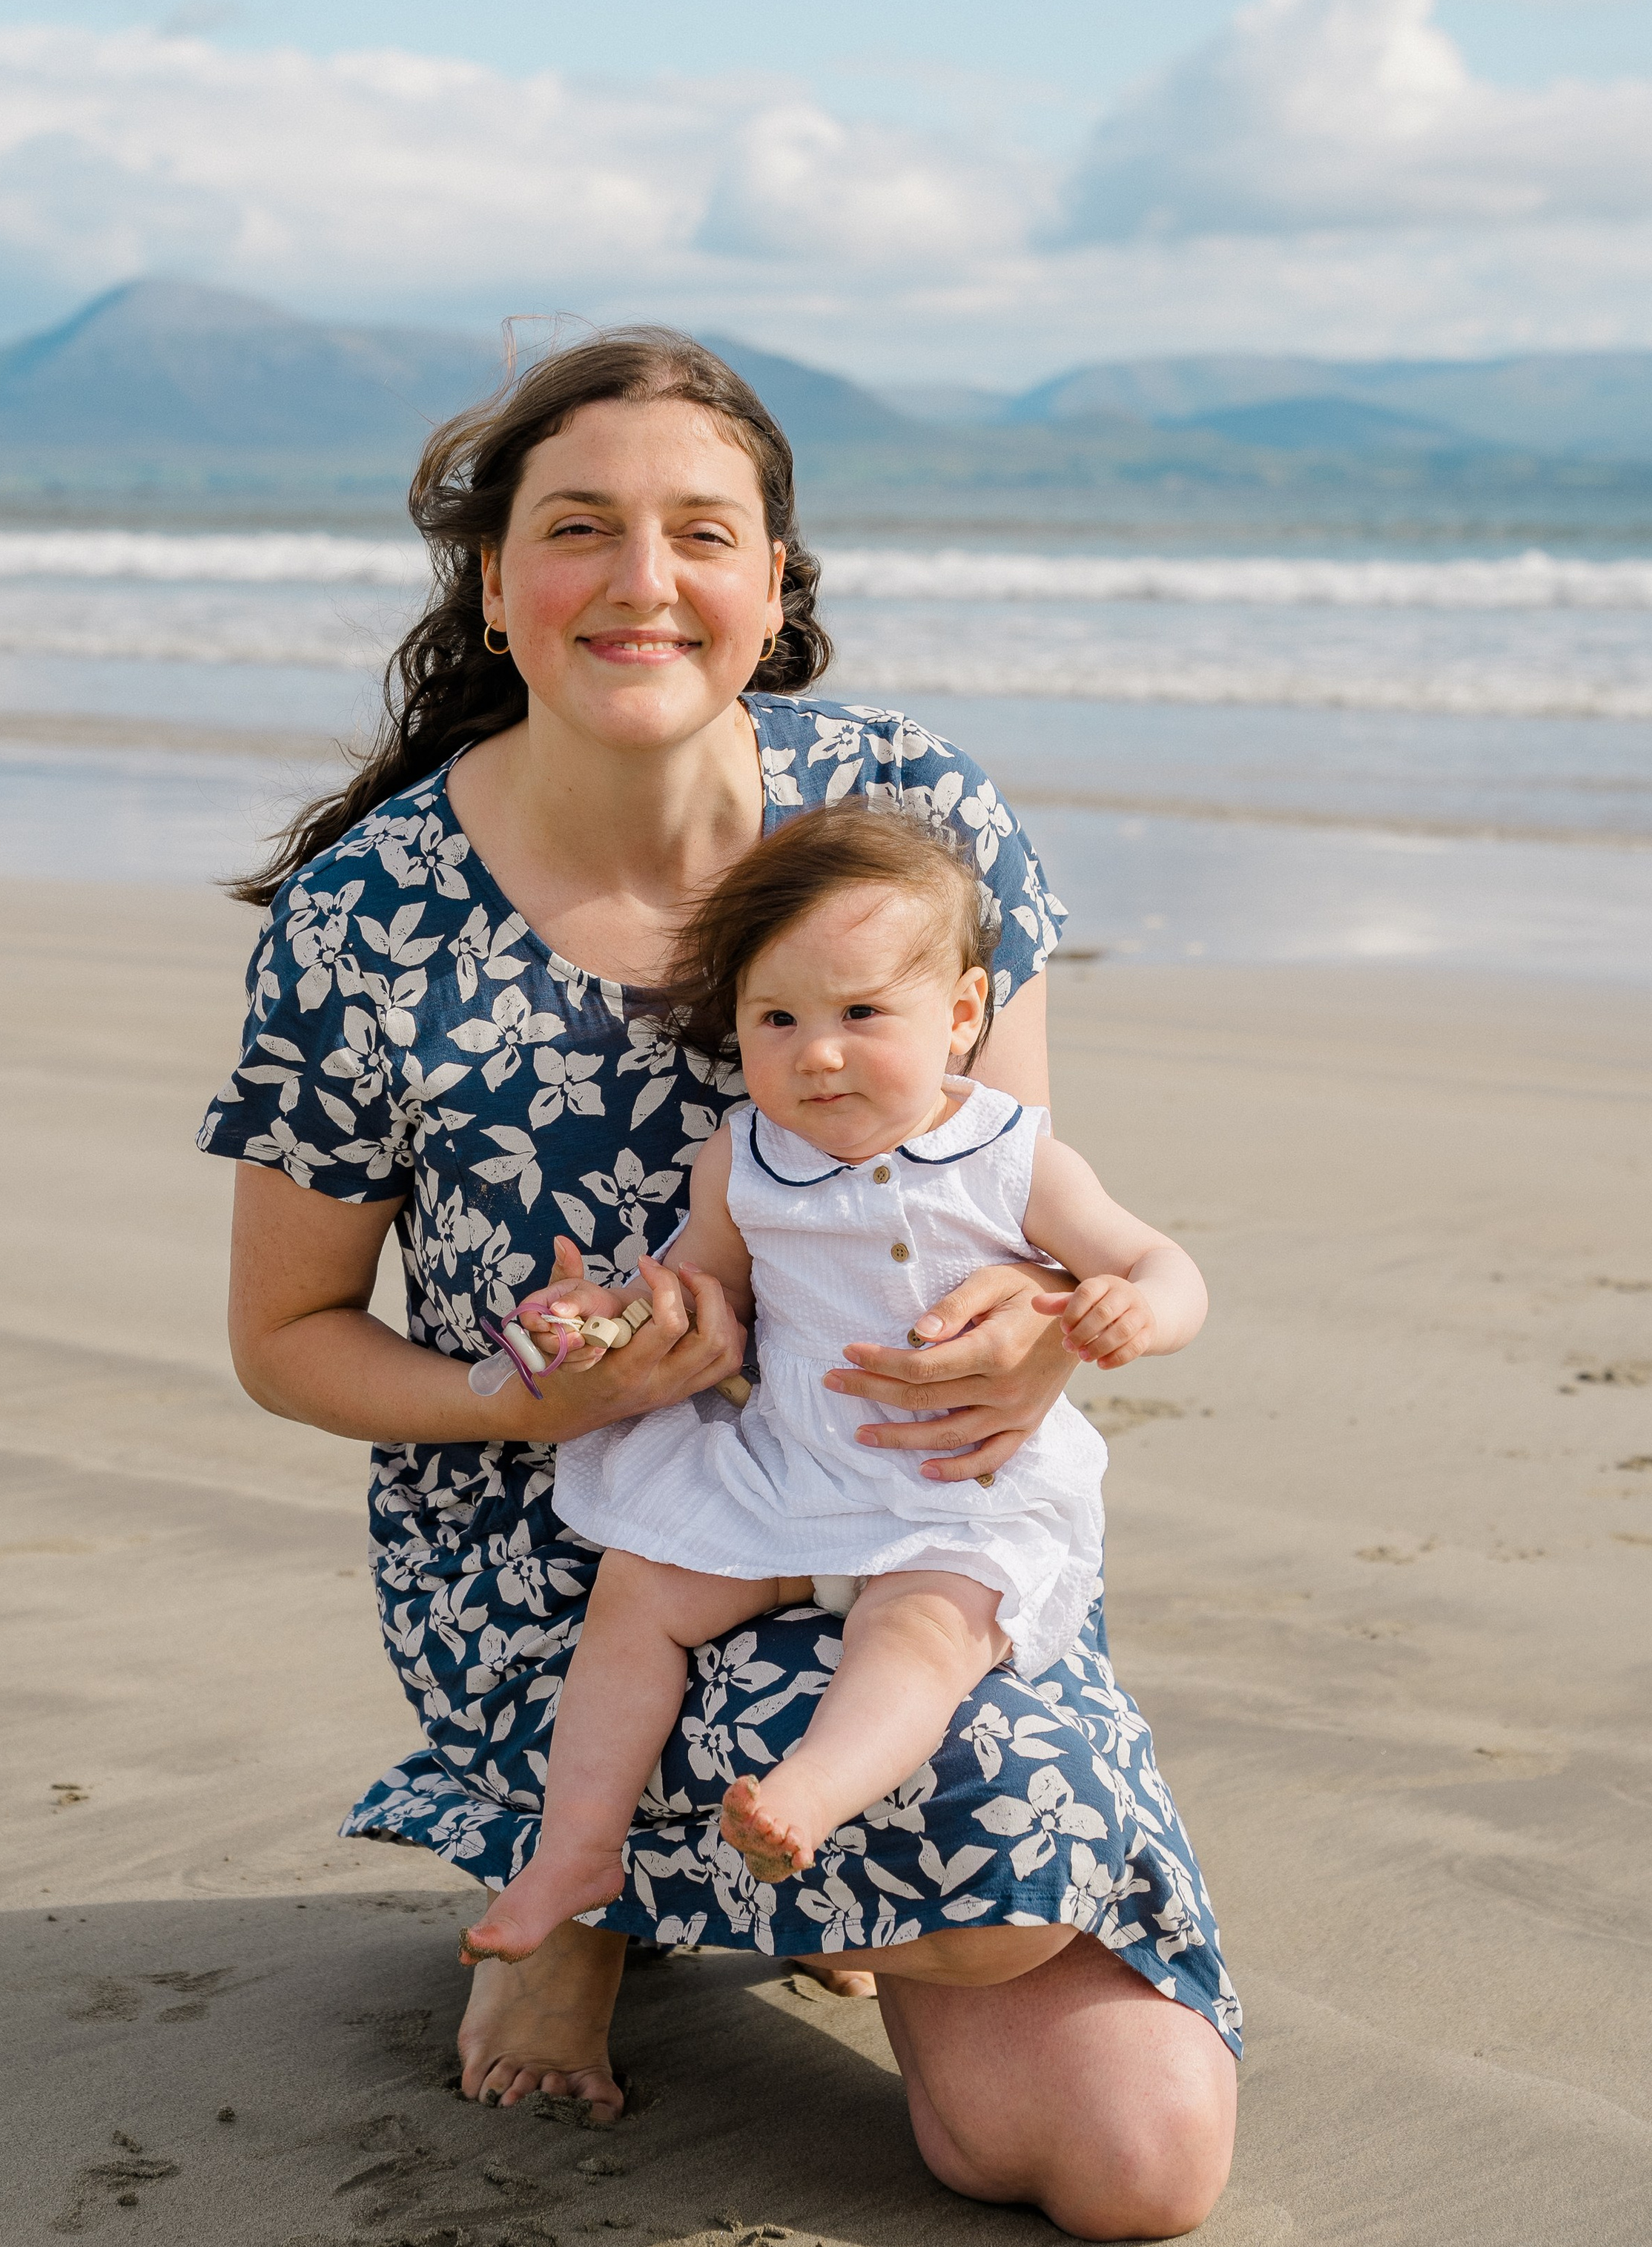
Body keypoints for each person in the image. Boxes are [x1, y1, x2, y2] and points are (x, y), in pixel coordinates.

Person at [204, 328, 1239, 2241]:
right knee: (729, 1754)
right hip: (567, 1555)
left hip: (897, 1511)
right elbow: (283, 1342)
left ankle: (817, 1873)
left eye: (702, 533)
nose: (641, 581)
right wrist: (536, 1395)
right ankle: (579, 1893)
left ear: (773, 585)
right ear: (498, 584)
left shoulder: (911, 819)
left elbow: (1005, 1199)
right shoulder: (370, 914)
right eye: (577, 528)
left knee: (1133, 2159)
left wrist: (1027, 1345)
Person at [458, 800, 1209, 1964]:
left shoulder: (1013, 1159)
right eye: (778, 1017)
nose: (817, 1051)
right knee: (638, 1592)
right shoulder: (745, 1158)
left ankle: (806, 1794)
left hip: (947, 1495)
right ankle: (577, 1843)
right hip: (782, 1476)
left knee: (924, 1635)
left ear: (961, 1015)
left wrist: (1135, 1307)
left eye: (863, 1013)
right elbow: (700, 1295)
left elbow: (1165, 1263)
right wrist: (602, 1317)